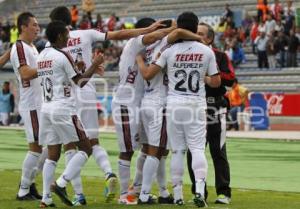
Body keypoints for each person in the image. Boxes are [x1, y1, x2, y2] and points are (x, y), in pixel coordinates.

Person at [49, 6, 165, 205]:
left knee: (70, 145)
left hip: (65, 93)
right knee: (95, 143)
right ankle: (114, 181)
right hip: (92, 91)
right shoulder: (86, 34)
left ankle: (80, 193)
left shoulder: (52, 46)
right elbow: (119, 33)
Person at [135, 12, 221, 207]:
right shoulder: (207, 51)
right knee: (198, 149)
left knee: (177, 152)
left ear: (179, 27)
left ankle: (178, 195)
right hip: (196, 104)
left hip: (173, 104)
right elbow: (216, 82)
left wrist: (140, 60)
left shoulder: (168, 51)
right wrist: (203, 78)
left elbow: (148, 74)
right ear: (196, 26)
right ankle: (199, 190)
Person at [37, 21, 104, 207]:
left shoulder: (42, 55)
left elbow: (63, 76)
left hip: (47, 108)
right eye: (66, 34)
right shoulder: (63, 54)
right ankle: (60, 183)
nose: (69, 37)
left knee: (52, 155)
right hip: (63, 108)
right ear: (59, 36)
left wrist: (79, 67)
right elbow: (80, 82)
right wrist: (94, 64)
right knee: (86, 148)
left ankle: (45, 199)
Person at [111, 17, 175, 205]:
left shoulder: (148, 49)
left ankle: (136, 189)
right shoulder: (135, 42)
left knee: (148, 148)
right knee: (127, 150)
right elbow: (151, 37)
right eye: (153, 30)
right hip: (126, 103)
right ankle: (123, 196)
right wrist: (172, 29)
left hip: (142, 102)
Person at [186, 22, 235, 205]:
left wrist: (207, 78)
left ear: (210, 38)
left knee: (218, 152)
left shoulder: (220, 56)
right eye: (194, 33)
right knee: (193, 153)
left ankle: (224, 192)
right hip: (194, 111)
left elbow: (230, 79)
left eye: (200, 34)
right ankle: (199, 192)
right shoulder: (186, 54)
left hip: (216, 109)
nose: (196, 36)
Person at [10, 12, 47, 201]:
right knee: (36, 148)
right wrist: (49, 67)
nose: (37, 28)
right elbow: (25, 73)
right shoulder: (20, 47)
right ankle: (23, 189)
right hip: (31, 103)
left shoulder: (31, 47)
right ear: (23, 27)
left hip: (40, 102)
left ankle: (30, 183)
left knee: (46, 147)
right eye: (34, 24)